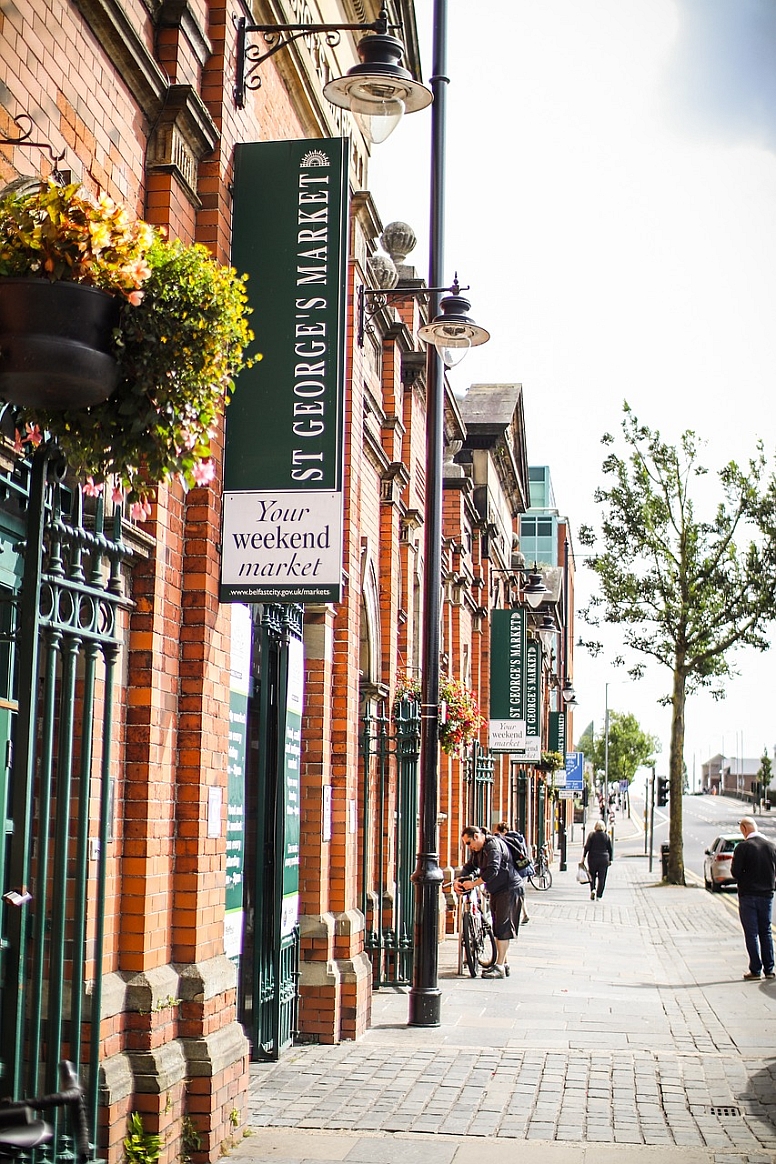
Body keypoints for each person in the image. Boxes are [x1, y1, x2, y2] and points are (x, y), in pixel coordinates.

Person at [454, 825, 522, 979]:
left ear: (477, 836)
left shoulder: (493, 846)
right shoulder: (478, 850)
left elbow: (493, 869)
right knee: (498, 926)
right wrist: (459, 879)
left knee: (503, 927)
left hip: (509, 889)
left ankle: (499, 968)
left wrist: (473, 884)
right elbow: (470, 866)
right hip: (498, 890)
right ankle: (503, 963)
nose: (469, 847)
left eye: (469, 843)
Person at [730, 816, 776, 981]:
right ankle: (769, 969)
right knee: (766, 931)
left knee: (751, 933)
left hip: (748, 895)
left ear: (744, 829)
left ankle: (755, 969)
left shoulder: (743, 848)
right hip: (767, 895)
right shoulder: (771, 846)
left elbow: (735, 872)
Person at [494, 821, 531, 923]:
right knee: (520, 893)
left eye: (499, 832)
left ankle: (518, 915)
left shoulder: (507, 840)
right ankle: (525, 913)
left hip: (514, 871)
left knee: (513, 895)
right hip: (523, 868)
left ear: (504, 831)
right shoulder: (519, 838)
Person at [583, 819, 613, 901]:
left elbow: (587, 847)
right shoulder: (606, 837)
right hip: (604, 859)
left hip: (592, 858)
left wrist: (583, 858)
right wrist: (610, 860)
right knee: (602, 878)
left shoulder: (591, 835)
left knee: (592, 875)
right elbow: (610, 849)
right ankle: (599, 895)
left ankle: (593, 889)